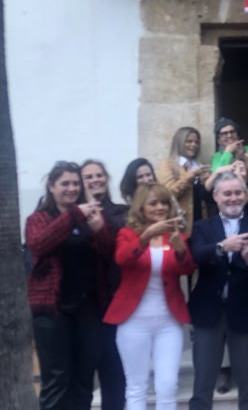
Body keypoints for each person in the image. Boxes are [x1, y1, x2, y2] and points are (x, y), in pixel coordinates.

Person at [26, 161, 114, 410]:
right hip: (53, 312)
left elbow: (108, 255)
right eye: (65, 183)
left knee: (83, 381)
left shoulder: (89, 217)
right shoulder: (38, 219)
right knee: (57, 382)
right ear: (52, 186)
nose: (72, 188)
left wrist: (100, 230)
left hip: (87, 309)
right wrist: (75, 214)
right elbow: (40, 244)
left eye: (76, 183)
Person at [103, 183, 196, 410]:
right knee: (136, 386)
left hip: (168, 322)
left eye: (164, 202)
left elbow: (187, 269)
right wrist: (144, 238)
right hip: (134, 322)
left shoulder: (176, 235)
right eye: (153, 203)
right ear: (141, 207)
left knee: (168, 385)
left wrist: (181, 250)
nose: (160, 207)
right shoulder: (127, 234)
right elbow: (122, 259)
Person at [188, 172, 248, 410]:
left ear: (245, 196)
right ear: (216, 196)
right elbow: (196, 256)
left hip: (245, 312)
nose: (233, 198)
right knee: (202, 388)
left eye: (238, 192)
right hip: (208, 313)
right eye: (227, 193)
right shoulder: (203, 226)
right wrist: (221, 247)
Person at [81, 159, 129, 410]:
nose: (94, 180)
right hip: (83, 304)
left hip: (113, 302)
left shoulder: (121, 212)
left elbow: (117, 246)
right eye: (88, 177)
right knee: (83, 376)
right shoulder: (72, 213)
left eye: (98, 175)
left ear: (107, 178)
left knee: (114, 375)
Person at [157, 127, 210, 234]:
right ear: (180, 142)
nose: (194, 145)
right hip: (180, 224)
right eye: (189, 141)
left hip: (201, 220)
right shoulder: (168, 164)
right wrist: (189, 177)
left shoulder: (199, 165)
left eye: (196, 142)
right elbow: (167, 193)